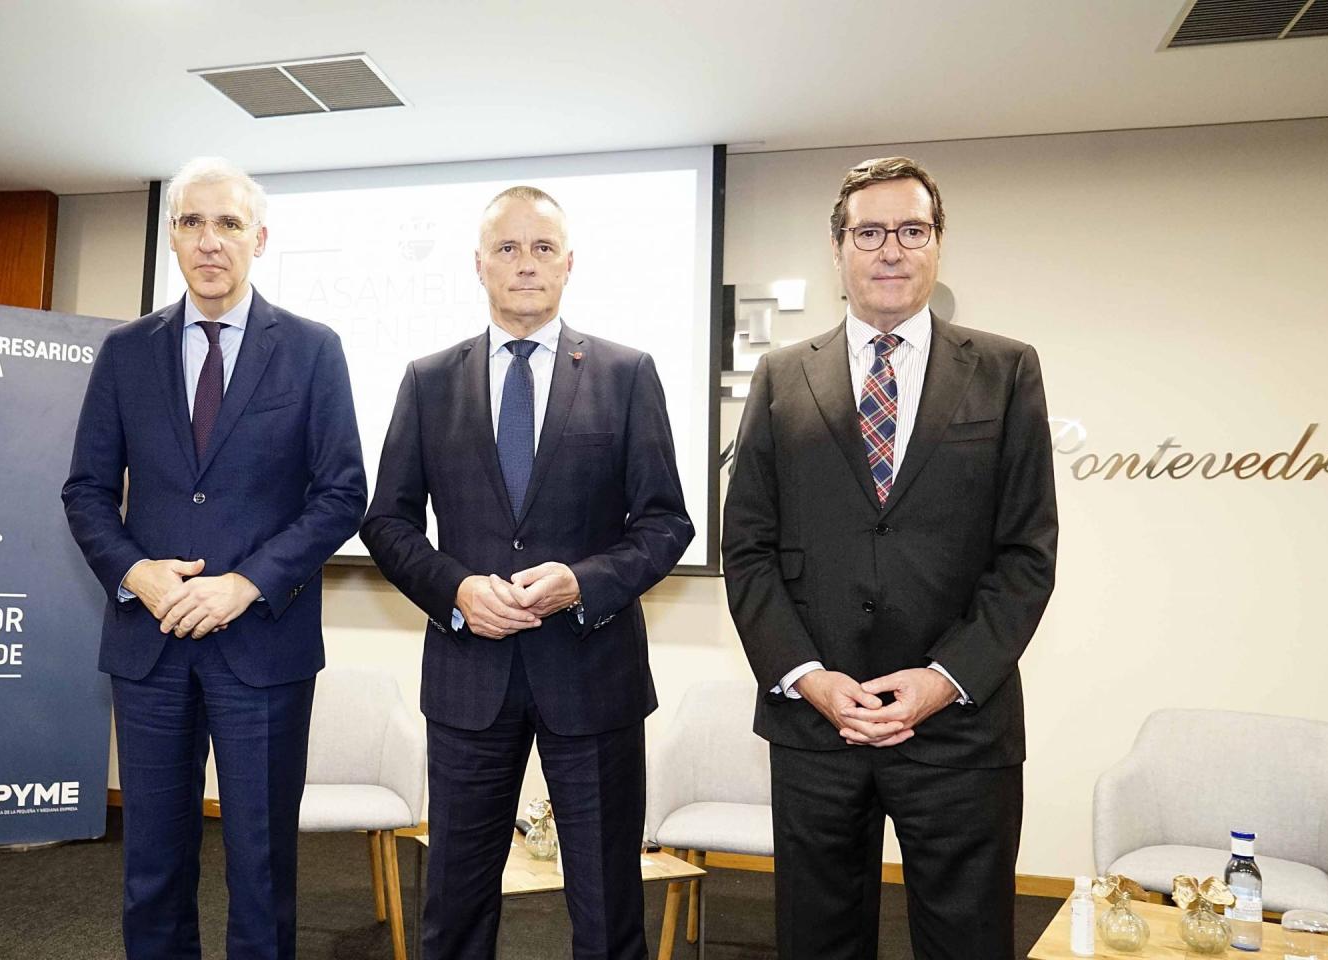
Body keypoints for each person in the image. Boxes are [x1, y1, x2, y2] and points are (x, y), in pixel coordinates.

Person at [722, 156, 1058, 960]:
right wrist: (810, 678)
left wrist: (943, 681)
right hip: (816, 725)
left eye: (912, 230)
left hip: (960, 729)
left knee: (967, 940)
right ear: (838, 250)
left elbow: (1027, 556)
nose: (891, 250)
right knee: (818, 940)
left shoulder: (1008, 370)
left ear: (937, 244)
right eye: (869, 232)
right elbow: (749, 551)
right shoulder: (778, 377)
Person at [361, 185, 692, 960]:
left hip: (593, 671)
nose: (525, 264)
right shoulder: (427, 379)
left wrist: (584, 582)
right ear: (479, 265)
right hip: (468, 677)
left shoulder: (626, 373)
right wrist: (456, 591)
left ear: (569, 264)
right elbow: (387, 521)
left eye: (542, 248)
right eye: (507, 249)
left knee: (609, 907)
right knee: (455, 902)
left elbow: (666, 522)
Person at [62, 156, 366, 960]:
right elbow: (87, 491)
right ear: (172, 239)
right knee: (153, 863)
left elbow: (341, 494)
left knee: (263, 866)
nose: (210, 240)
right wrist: (135, 573)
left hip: (262, 646)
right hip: (150, 647)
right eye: (192, 223)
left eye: (228, 224)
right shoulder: (126, 352)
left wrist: (246, 584)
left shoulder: (311, 350)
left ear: (259, 239)